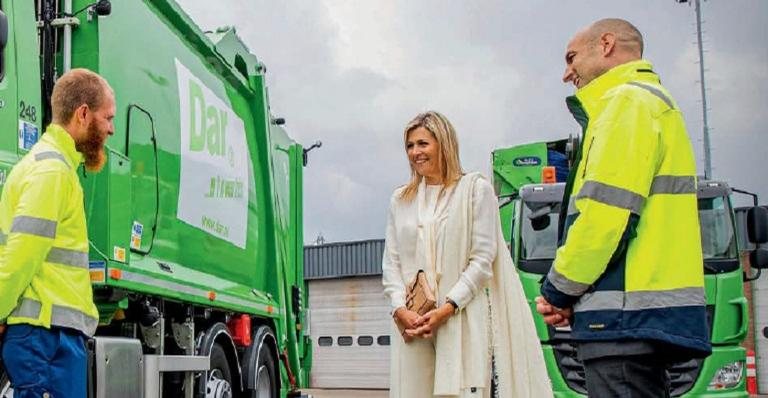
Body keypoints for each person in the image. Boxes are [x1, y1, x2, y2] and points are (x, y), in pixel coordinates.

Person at [536, 18, 711, 397]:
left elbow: (603, 217)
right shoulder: (652, 103)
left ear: (607, 44)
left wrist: (557, 291)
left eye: (572, 58)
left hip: (624, 318)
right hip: (642, 315)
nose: (567, 74)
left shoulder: (625, 103)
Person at [382, 111, 551, 398]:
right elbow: (392, 261)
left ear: (443, 143)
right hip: (412, 323)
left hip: (459, 317)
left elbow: (482, 260)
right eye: (410, 146)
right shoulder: (401, 199)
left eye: (423, 143)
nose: (415, 152)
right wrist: (400, 310)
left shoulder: (475, 191)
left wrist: (447, 307)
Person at [0, 68, 115, 397]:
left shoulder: (49, 166)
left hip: (47, 338)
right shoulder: (52, 171)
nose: (111, 128)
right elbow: (20, 257)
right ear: (83, 114)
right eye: (107, 118)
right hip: (46, 341)